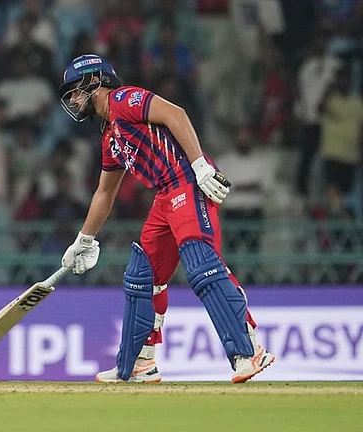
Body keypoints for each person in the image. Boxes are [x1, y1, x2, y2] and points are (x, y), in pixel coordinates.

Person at [57, 54, 274, 384]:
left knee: (200, 264)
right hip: (165, 194)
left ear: (94, 82)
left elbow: (176, 114)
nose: (73, 99)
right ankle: (138, 365)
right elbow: (104, 193)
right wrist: (83, 240)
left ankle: (249, 350)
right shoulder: (110, 138)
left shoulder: (123, 98)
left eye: (75, 90)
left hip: (187, 180)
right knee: (141, 275)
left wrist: (200, 165)